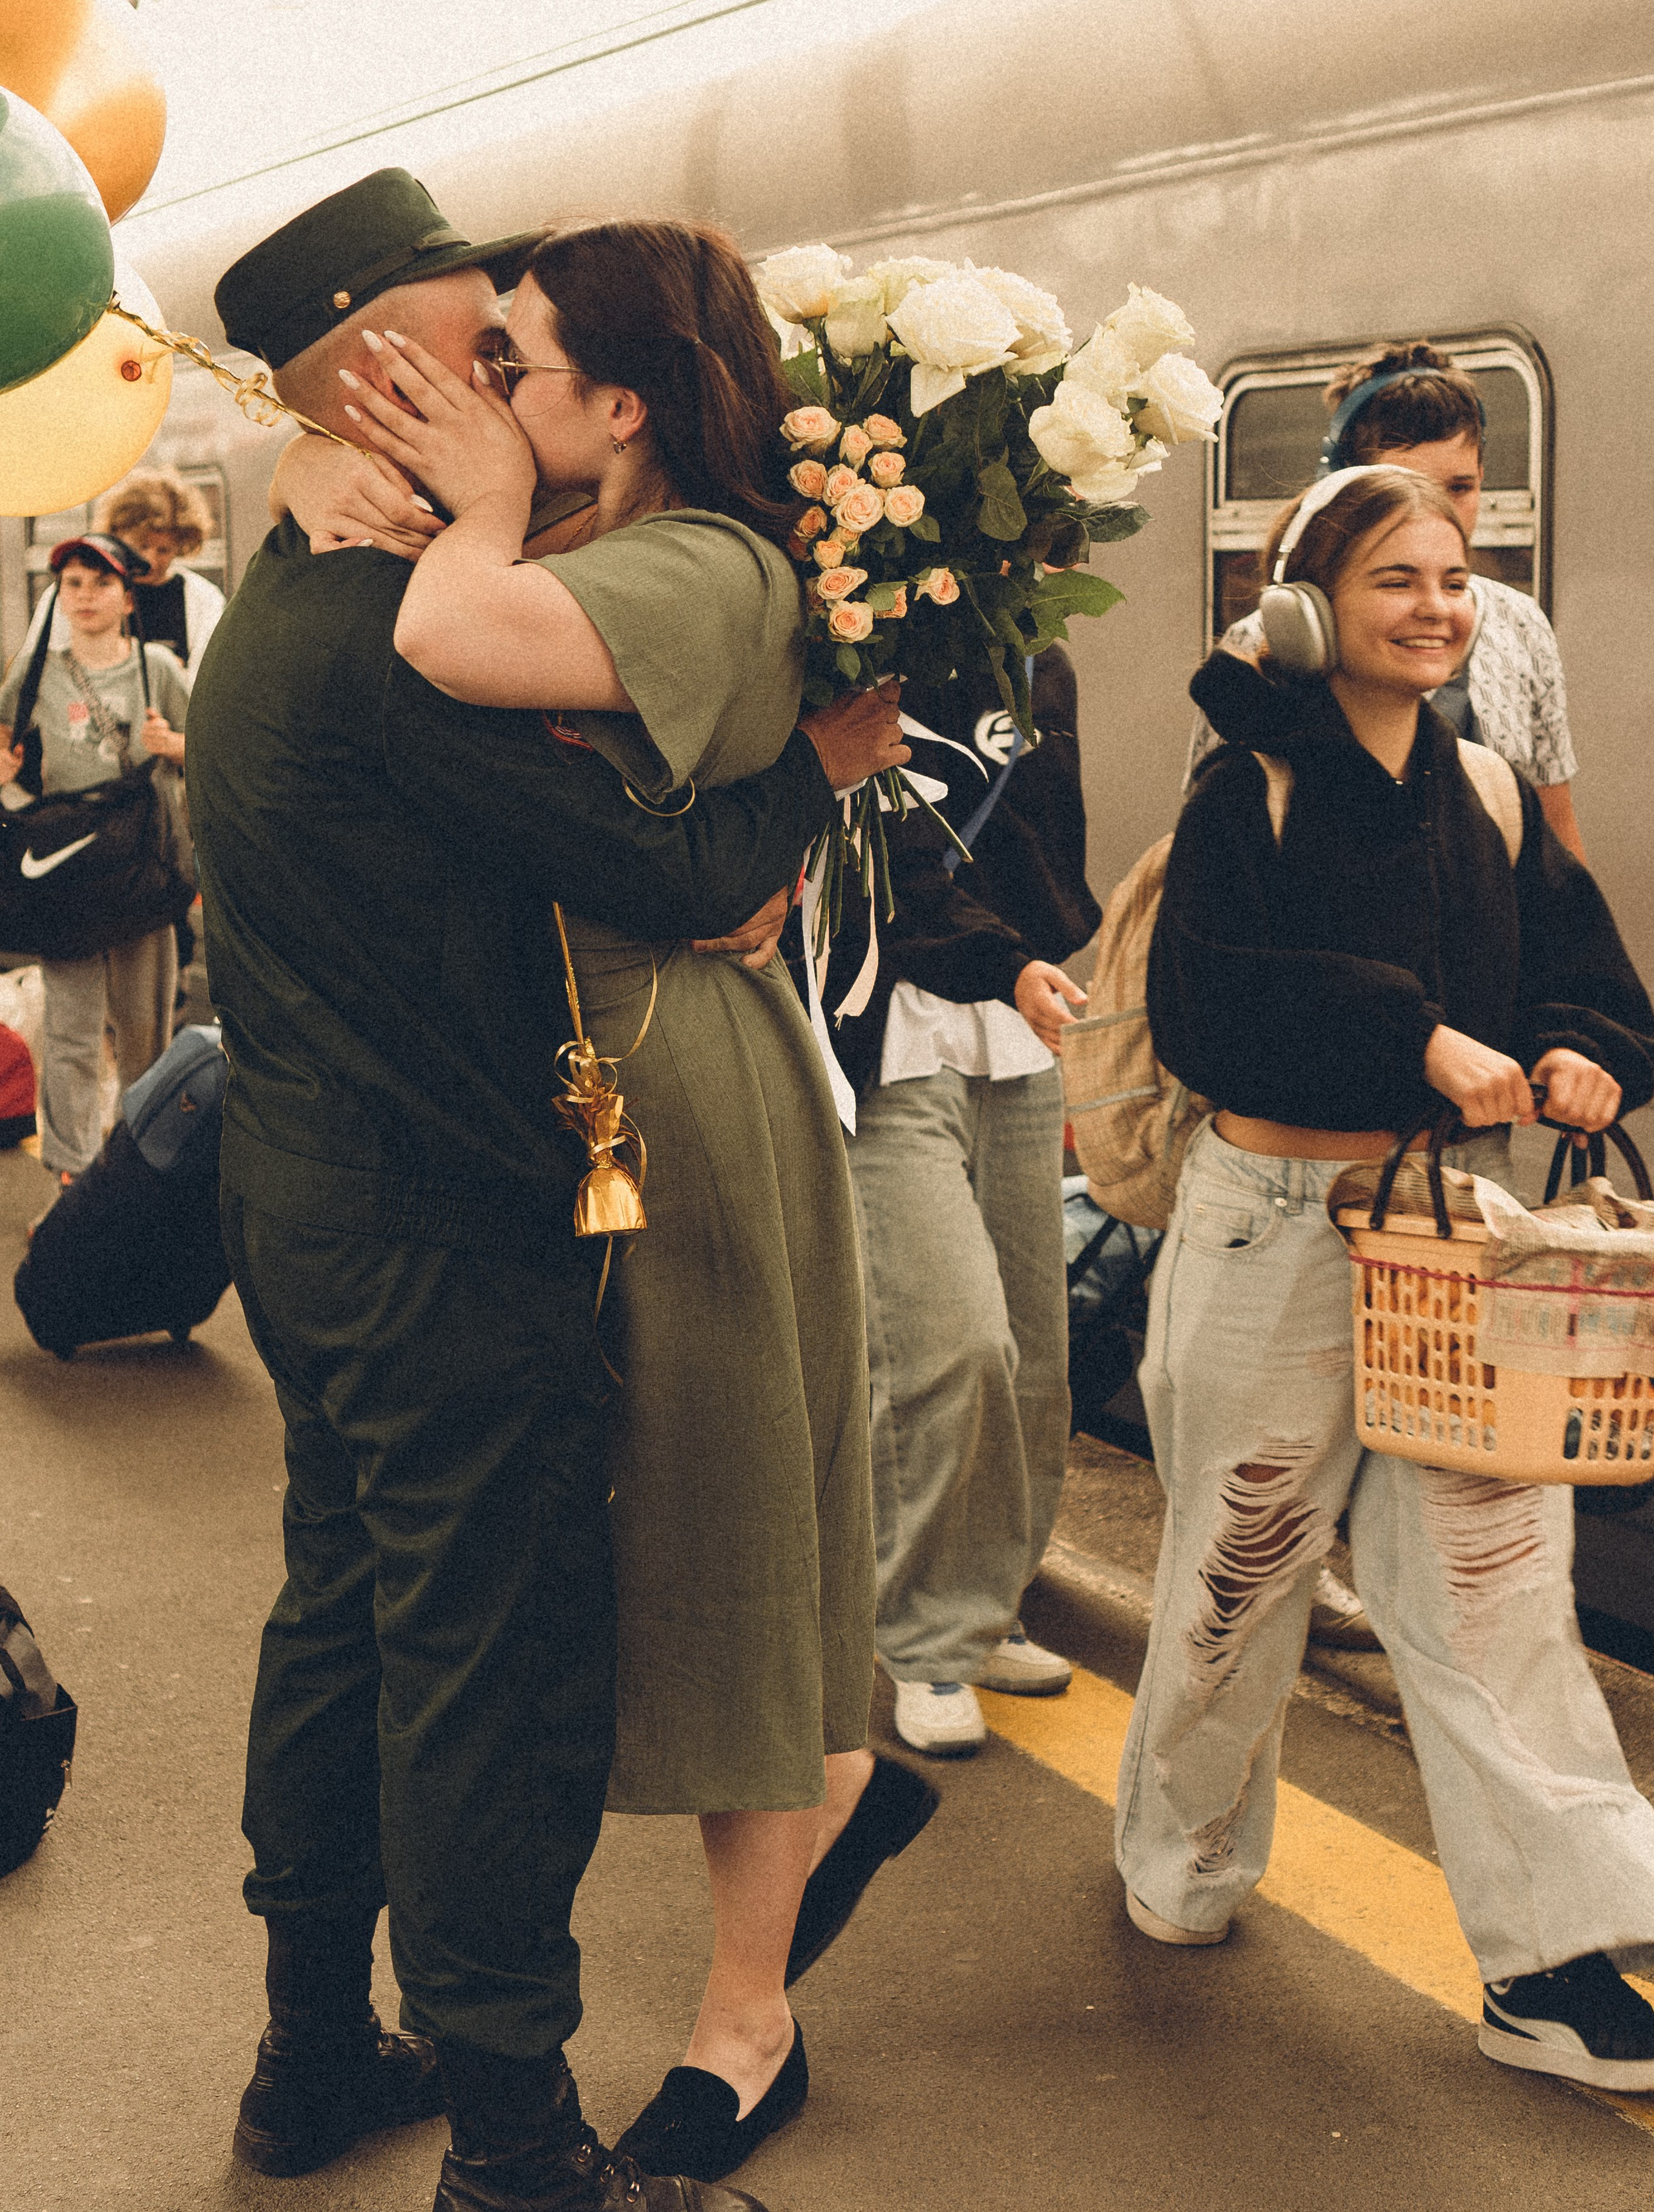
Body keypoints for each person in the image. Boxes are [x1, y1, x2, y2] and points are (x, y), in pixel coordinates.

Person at [196, 169, 906, 2212]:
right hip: (442, 1229)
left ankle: (315, 2043)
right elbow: (685, 877)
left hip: (306, 1202)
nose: (506, 372)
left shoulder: (285, 595)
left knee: (339, 1617)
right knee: (476, 1668)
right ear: (398, 372)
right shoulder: (390, 641)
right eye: (477, 348)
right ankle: (517, 2139)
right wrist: (820, 762)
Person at [1118, 462, 1654, 2093]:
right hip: (1271, 1219)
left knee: (1493, 1598)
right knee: (1238, 1572)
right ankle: (1181, 1858)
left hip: (1456, 1240)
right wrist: (1405, 1030)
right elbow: (1207, 1009)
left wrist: (1578, 1061)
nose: (1434, 607)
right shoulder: (1246, 791)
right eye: (1391, 583)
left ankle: (1549, 1962)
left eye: (1452, 576)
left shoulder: (1486, 792)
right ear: (1307, 610)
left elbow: (1591, 984)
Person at [806, 650, 1099, 1757]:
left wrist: (1044, 956)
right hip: (888, 1032)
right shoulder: (846, 650)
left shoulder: (1040, 662)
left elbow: (1043, 855)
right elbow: (878, 863)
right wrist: (1005, 957)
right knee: (948, 1342)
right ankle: (925, 1638)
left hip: (1016, 1029)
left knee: (1033, 1350)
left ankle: (987, 1601)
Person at [1189, 341, 1586, 860]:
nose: (1437, 509)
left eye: (1460, 487)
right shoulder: (1268, 636)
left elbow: (1555, 824)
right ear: (1347, 492)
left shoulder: (1522, 625)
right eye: (1409, 486)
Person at [0, 535, 189, 1183]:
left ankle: (138, 1178)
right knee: (73, 1038)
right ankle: (71, 1187)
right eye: (72, 584)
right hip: (69, 879)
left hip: (142, 872)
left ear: (129, 597)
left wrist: (177, 746)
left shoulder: (156, 669)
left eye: (100, 584)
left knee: (146, 1036)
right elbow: (7, 759)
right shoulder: (32, 677)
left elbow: (215, 751)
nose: (84, 597)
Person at [21, 467, 227, 691]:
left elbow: (208, 682)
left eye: (164, 550)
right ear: (116, 536)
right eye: (141, 546)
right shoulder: (73, 591)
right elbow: (40, 664)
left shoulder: (203, 599)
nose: (151, 560)